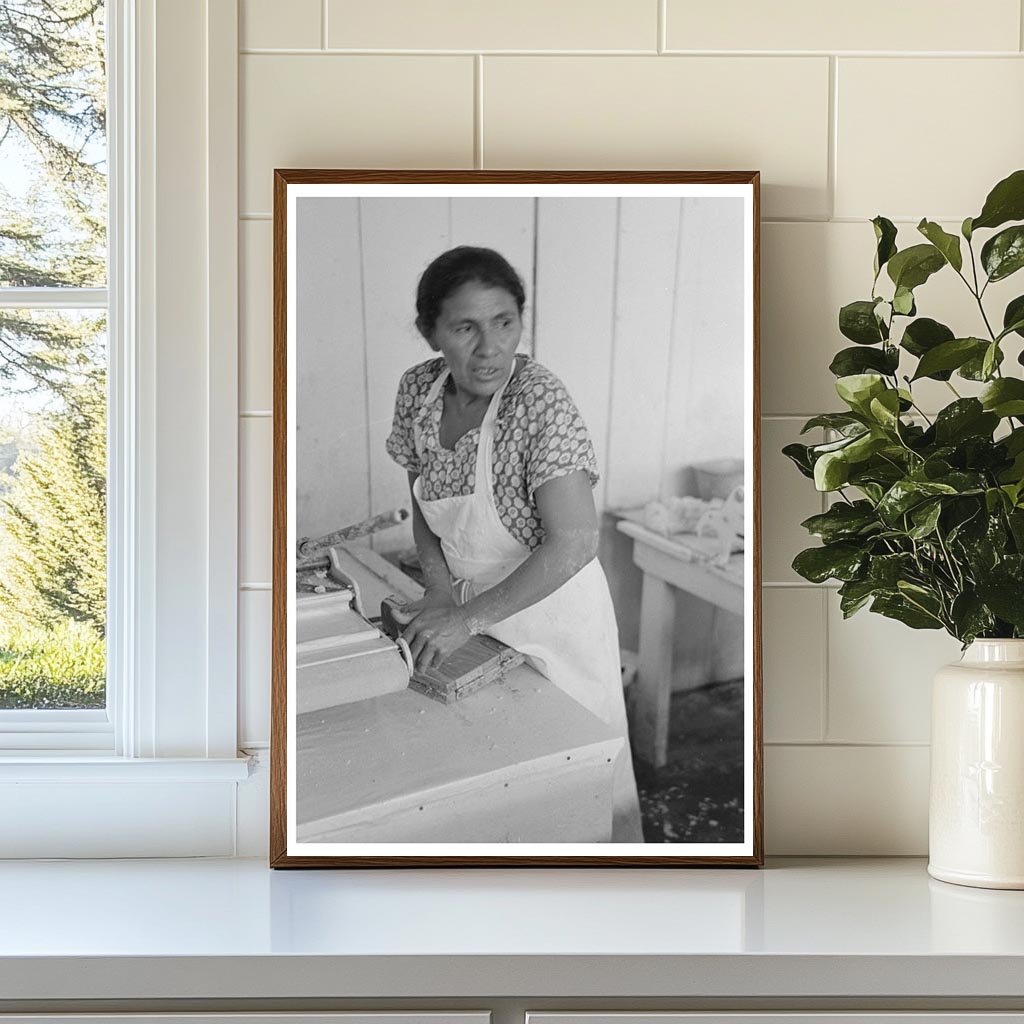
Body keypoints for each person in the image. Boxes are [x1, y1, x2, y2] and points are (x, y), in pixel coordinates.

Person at [385, 245, 643, 843]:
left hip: (555, 617)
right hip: (471, 617)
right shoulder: (420, 394)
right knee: (493, 780)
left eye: (505, 321)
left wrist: (464, 619)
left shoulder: (539, 402)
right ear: (431, 335)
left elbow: (575, 542)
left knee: (576, 782)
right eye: (466, 327)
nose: (491, 346)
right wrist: (438, 592)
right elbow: (423, 502)